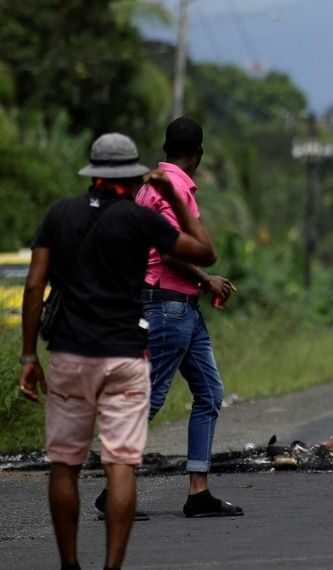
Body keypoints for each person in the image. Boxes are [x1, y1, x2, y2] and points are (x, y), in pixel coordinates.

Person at [18, 133, 216, 570]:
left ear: (92, 172)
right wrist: (174, 199)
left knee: (65, 464)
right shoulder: (138, 218)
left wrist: (29, 357)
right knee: (121, 463)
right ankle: (112, 567)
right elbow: (206, 252)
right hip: (125, 356)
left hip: (70, 356)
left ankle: (69, 563)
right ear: (130, 175)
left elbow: (34, 286)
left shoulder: (59, 215)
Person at [106, 116, 242, 519]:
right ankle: (111, 491)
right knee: (147, 399)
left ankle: (198, 492)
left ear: (166, 147)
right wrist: (208, 279)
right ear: (198, 153)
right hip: (167, 305)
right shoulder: (176, 188)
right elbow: (170, 252)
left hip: (182, 307)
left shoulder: (148, 185)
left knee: (209, 393)